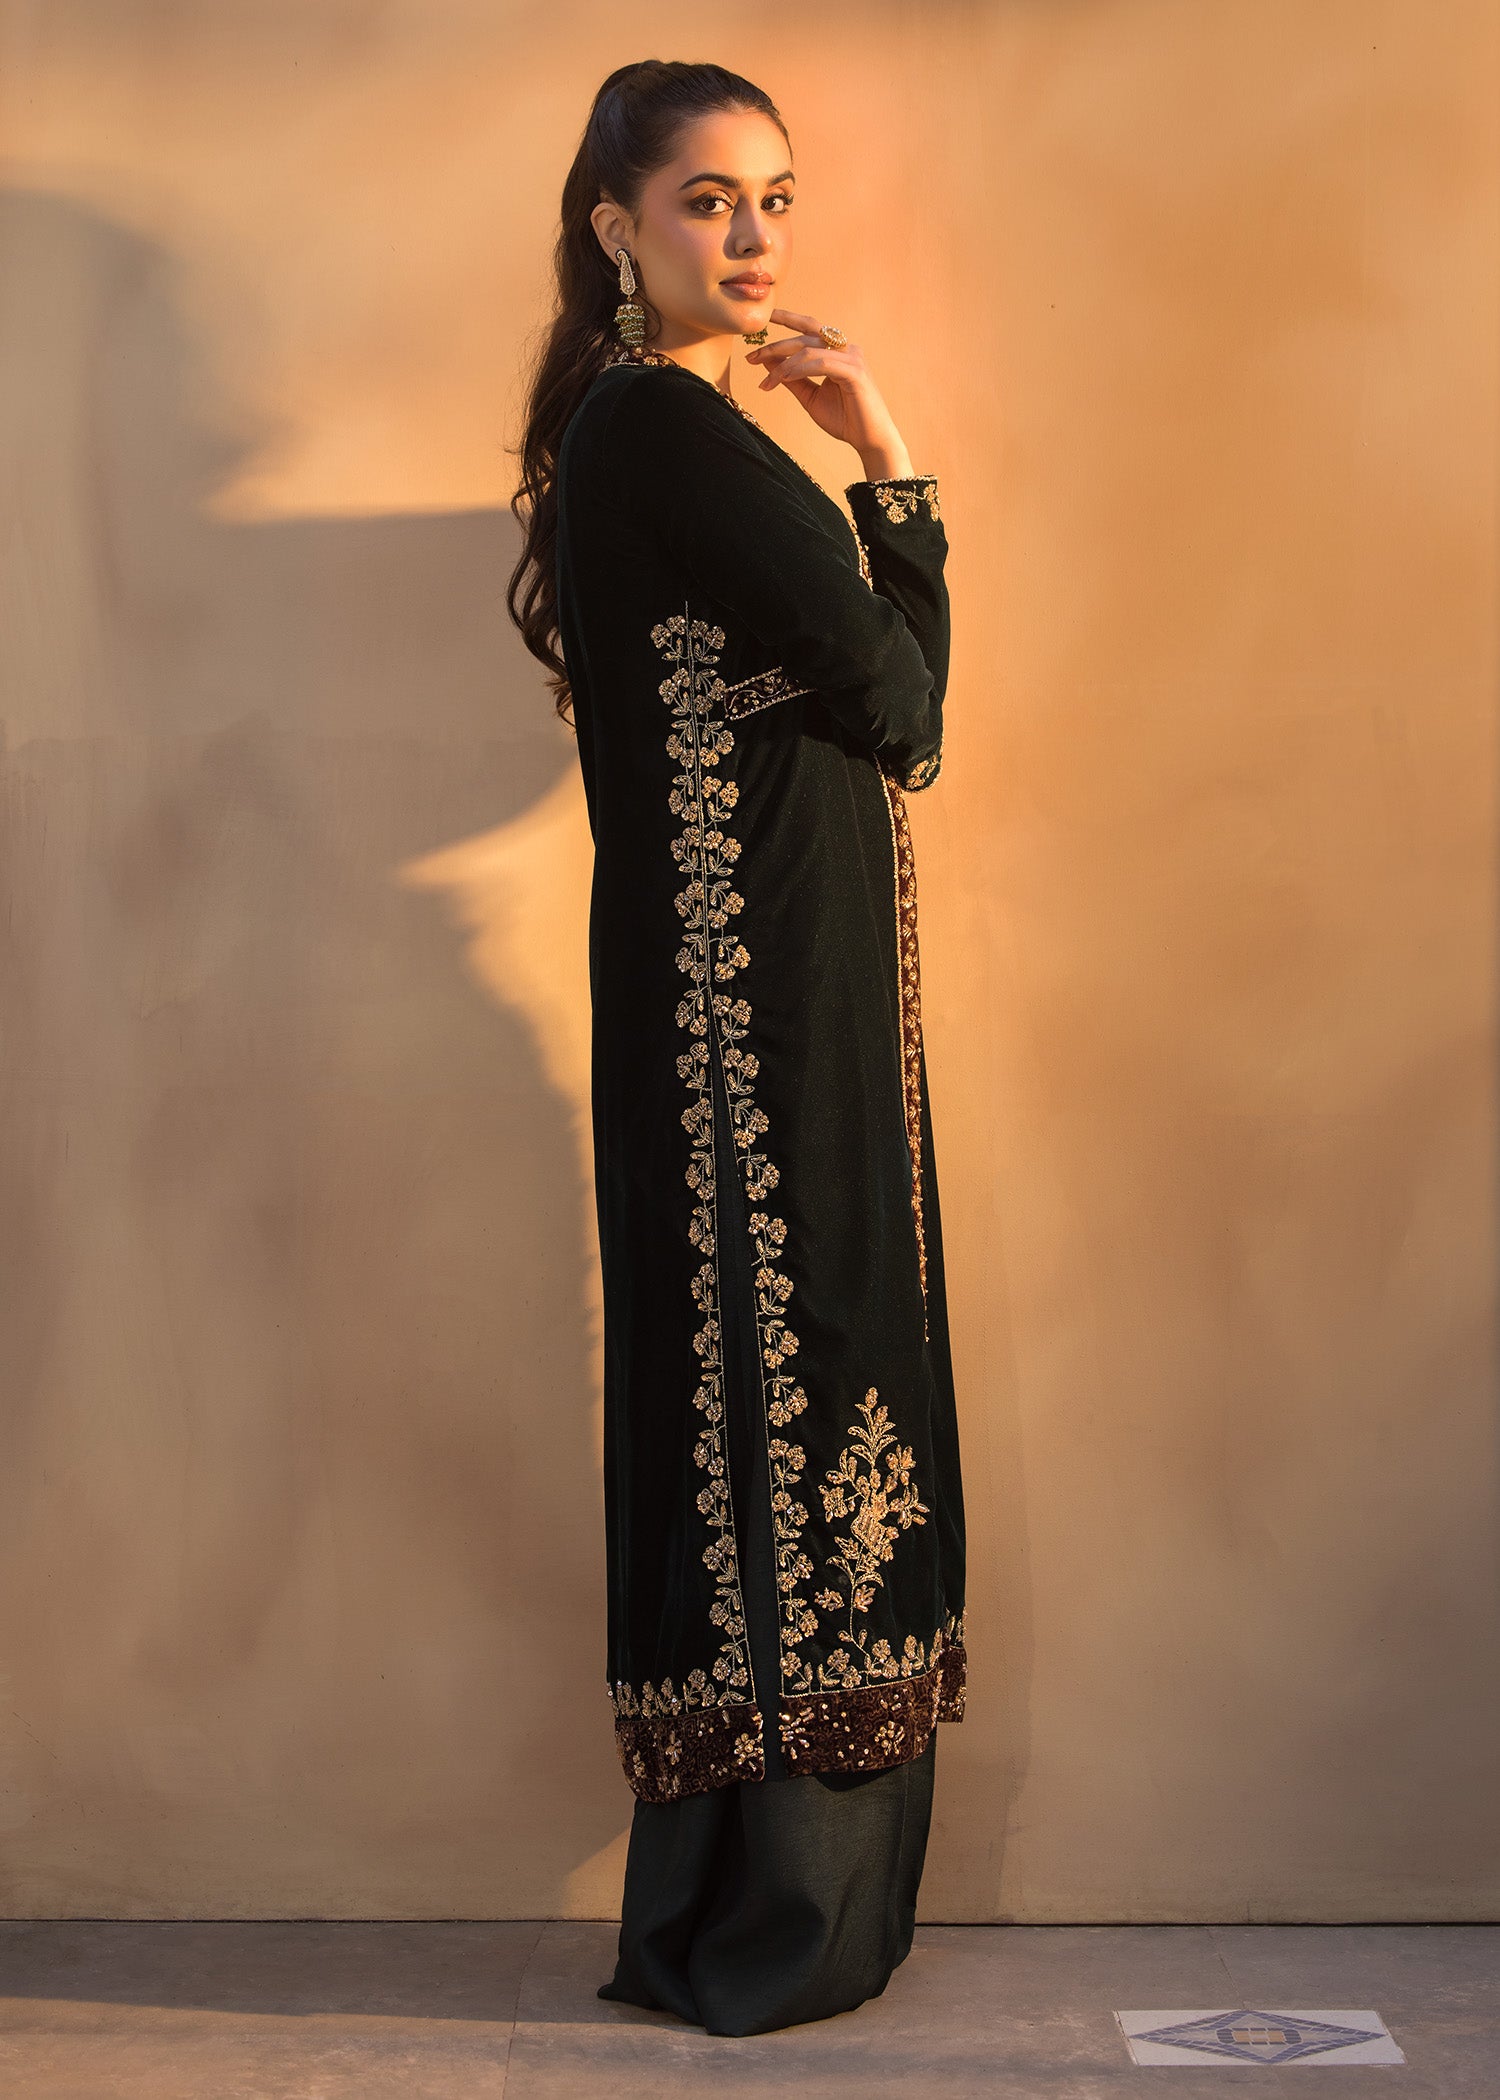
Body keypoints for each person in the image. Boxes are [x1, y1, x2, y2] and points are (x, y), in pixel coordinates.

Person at [506, 58, 967, 2036]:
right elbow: (904, 704)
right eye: (707, 200)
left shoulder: (661, 430)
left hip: (770, 976)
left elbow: (879, 706)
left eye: (776, 196)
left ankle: (775, 1903)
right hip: (752, 998)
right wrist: (891, 466)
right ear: (616, 227)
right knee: (790, 1372)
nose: (755, 236)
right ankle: (781, 1911)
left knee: (783, 1378)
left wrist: (864, 457)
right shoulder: (660, 432)